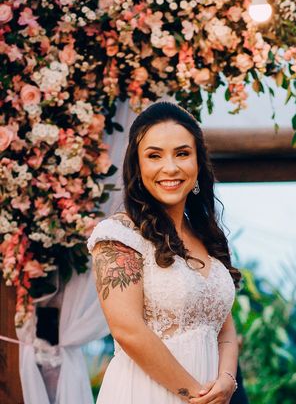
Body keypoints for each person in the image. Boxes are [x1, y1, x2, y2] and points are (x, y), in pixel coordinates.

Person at [87, 102, 241, 404]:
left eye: (182, 153)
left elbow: (225, 327)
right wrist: (195, 395)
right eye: (154, 155)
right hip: (147, 393)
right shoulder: (119, 235)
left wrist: (227, 380)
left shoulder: (207, 237)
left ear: (198, 163)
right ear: (137, 164)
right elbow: (127, 329)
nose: (170, 167)